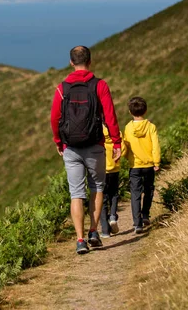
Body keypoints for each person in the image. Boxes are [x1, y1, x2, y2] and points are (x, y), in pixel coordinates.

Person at [51, 45, 122, 254]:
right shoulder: (100, 85)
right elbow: (110, 116)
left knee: (76, 193)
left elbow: (55, 119)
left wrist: (58, 142)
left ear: (71, 62)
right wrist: (116, 142)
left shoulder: (61, 88)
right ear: (89, 62)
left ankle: (80, 240)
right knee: (97, 188)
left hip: (71, 147)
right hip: (95, 145)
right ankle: (93, 231)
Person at [123, 96, 161, 234]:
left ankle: (137, 223)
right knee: (149, 190)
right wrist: (156, 162)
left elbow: (125, 146)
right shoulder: (151, 127)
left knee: (135, 194)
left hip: (134, 166)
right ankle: (145, 214)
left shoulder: (128, 127)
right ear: (145, 111)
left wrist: (126, 158)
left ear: (130, 112)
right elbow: (155, 146)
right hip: (149, 165)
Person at [99, 124, 123, 238]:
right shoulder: (115, 131)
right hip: (114, 168)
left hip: (101, 169)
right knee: (114, 194)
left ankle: (105, 231)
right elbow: (123, 147)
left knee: (102, 198)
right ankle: (113, 216)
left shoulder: (96, 129)